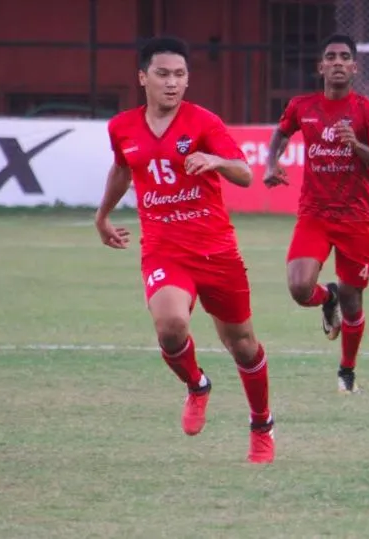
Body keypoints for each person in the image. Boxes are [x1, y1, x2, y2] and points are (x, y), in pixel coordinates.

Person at [94, 36, 274, 463]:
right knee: (170, 326)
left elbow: (246, 174)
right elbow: (123, 168)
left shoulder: (204, 123)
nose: (172, 83)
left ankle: (262, 423)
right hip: (164, 250)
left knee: (243, 345)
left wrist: (216, 162)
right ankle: (196, 384)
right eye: (163, 74)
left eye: (179, 75)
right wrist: (102, 216)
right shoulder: (122, 126)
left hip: (216, 250)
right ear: (143, 78)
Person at [262, 34, 369, 394]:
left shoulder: (368, 111)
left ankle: (347, 369)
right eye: (331, 57)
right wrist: (270, 163)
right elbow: (280, 134)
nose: (338, 62)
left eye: (345, 57)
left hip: (356, 218)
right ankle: (327, 298)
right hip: (315, 215)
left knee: (355, 304)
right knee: (298, 287)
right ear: (320, 67)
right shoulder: (301, 106)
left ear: (354, 67)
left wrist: (356, 145)